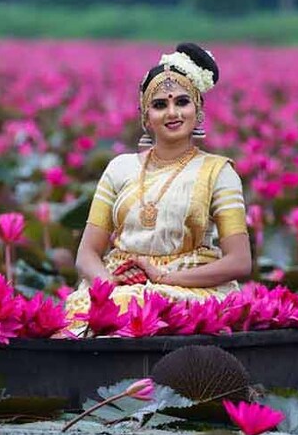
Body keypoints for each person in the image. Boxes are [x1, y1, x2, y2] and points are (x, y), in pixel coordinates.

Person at [64, 43, 252, 333]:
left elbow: (239, 262)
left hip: (188, 291)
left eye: (182, 102)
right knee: (111, 313)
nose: (172, 112)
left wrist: (163, 279)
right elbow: (87, 253)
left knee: (139, 308)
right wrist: (107, 285)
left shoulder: (218, 172)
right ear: (146, 116)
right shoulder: (119, 168)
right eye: (160, 104)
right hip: (117, 287)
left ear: (197, 108)